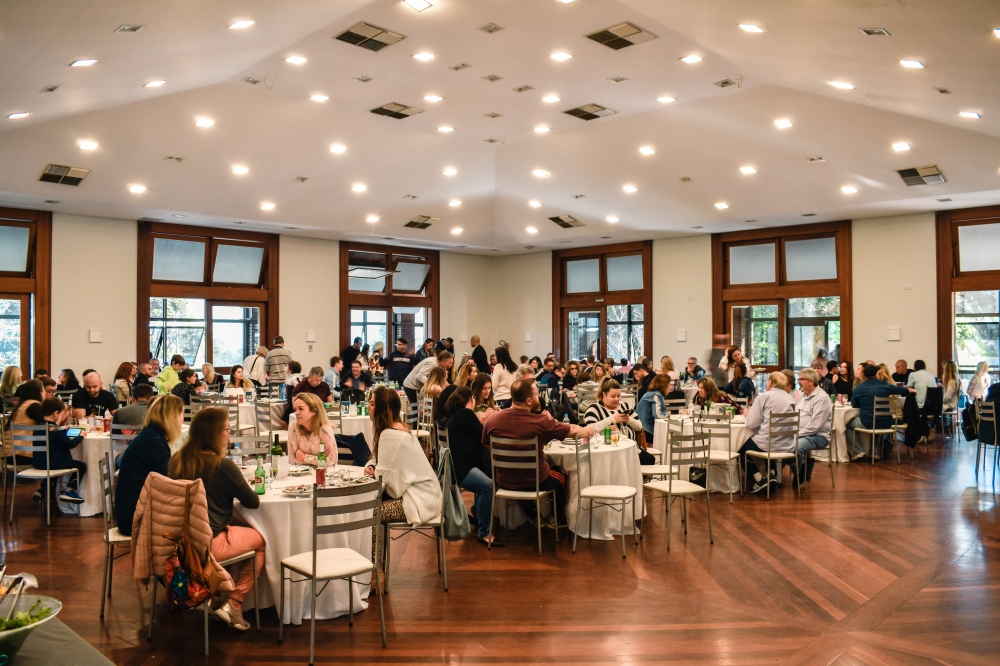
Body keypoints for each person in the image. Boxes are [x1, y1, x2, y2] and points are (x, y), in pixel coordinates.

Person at [169, 407, 264, 631]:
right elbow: (253, 502)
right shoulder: (222, 466)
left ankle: (213, 598)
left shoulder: (176, 460)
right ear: (213, 434)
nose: (229, 435)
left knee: (236, 529)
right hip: (207, 545)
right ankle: (235, 603)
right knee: (261, 540)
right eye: (226, 430)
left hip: (177, 543)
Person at [481, 379, 595, 528]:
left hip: (503, 479)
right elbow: (573, 431)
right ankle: (558, 520)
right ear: (529, 401)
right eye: (536, 394)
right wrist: (588, 430)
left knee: (524, 475)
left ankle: (534, 515)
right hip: (534, 481)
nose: (538, 397)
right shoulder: (541, 421)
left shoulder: (492, 419)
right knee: (561, 477)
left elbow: (486, 444)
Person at [364, 387, 443, 537]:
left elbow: (383, 479)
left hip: (420, 500)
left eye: (372, 404)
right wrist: (372, 466)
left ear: (382, 409)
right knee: (372, 508)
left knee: (371, 512)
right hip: (430, 495)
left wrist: (375, 472)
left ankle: (374, 554)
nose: (368, 407)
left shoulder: (390, 434)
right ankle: (378, 553)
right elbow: (379, 462)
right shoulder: (396, 428)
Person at [114, 394, 184, 536]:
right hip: (133, 516)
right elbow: (166, 482)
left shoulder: (151, 435)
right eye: (182, 414)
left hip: (130, 509)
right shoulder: (154, 442)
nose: (182, 419)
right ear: (172, 416)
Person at [445, 386, 498, 546]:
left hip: (457, 465)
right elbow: (484, 436)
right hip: (461, 469)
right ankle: (485, 532)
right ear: (471, 399)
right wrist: (488, 417)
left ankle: (478, 508)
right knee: (488, 486)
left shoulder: (457, 415)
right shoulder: (466, 414)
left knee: (490, 472)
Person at [739, 372, 796, 493]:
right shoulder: (790, 398)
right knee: (770, 438)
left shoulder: (764, 397)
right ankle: (772, 474)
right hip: (787, 444)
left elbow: (751, 424)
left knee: (740, 447)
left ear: (770, 382)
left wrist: (747, 415)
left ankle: (759, 479)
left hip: (769, 444)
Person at [846, 364, 914, 461]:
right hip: (886, 422)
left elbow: (854, 405)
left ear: (864, 374)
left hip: (868, 423)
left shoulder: (859, 387)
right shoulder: (885, 385)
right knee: (876, 421)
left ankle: (859, 451)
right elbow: (901, 390)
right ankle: (875, 453)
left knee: (848, 425)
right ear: (876, 374)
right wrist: (910, 390)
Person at [25, 398, 86, 504]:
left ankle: (42, 489)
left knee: (52, 463)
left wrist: (62, 431)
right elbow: (70, 444)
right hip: (53, 463)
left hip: (39, 463)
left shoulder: (38, 428)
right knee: (81, 466)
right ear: (56, 413)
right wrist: (81, 436)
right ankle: (69, 491)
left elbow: (53, 438)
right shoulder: (55, 430)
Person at [793, 369, 833, 482]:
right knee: (778, 443)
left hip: (818, 436)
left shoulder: (821, 398)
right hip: (802, 433)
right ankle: (775, 475)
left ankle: (799, 474)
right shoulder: (802, 395)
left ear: (811, 381)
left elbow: (815, 426)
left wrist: (796, 434)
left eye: (801, 379)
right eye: (798, 379)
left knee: (795, 446)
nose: (798, 382)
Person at [287, 393, 337, 465]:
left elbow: (332, 461)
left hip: (323, 471)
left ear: (314, 411)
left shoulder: (325, 429)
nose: (296, 413)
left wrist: (304, 457)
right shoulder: (294, 427)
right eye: (295, 409)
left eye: (300, 409)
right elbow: (293, 460)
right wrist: (319, 460)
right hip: (300, 471)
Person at [635, 374, 674, 458]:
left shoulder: (651, 393)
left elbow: (662, 411)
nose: (671, 387)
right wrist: (668, 414)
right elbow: (658, 415)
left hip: (641, 425)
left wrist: (666, 413)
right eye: (669, 384)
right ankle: (663, 458)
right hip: (646, 429)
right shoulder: (655, 395)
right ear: (664, 385)